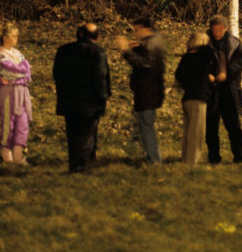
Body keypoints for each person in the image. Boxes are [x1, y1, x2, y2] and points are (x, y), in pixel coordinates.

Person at [52, 23, 111, 173]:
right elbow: (100, 78)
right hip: (89, 102)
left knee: (72, 134)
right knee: (86, 136)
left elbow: (56, 74)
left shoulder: (63, 50)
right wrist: (104, 97)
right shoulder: (97, 53)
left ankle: (77, 162)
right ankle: (80, 167)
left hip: (68, 99)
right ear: (97, 36)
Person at [118, 17, 167, 165]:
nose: (136, 33)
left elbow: (145, 64)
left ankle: (154, 159)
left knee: (146, 126)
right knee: (146, 125)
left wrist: (126, 50)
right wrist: (137, 47)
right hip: (150, 91)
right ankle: (152, 157)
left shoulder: (152, 43)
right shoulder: (154, 41)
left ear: (146, 28)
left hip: (148, 91)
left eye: (137, 29)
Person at [205, 14, 242, 164]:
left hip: (229, 90)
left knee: (233, 125)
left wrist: (227, 74)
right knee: (211, 126)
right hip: (211, 91)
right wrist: (208, 74)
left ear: (225, 29)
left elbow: (241, 60)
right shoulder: (204, 42)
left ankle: (239, 155)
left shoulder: (234, 44)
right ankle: (213, 157)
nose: (217, 33)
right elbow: (197, 61)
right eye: (214, 30)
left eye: (220, 30)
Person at [174, 32, 216, 165]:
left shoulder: (186, 57)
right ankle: (191, 162)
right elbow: (211, 51)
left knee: (188, 131)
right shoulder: (204, 56)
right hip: (199, 98)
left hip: (187, 98)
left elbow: (179, 76)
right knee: (197, 132)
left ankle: (185, 159)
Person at [0, 21, 33, 165]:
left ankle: (18, 155)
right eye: (14, 36)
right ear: (5, 37)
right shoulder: (0, 53)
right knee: (8, 124)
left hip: (21, 92)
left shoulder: (18, 53)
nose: (16, 39)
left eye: (17, 37)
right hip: (8, 92)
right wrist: (21, 70)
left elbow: (27, 69)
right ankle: (7, 155)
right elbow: (12, 69)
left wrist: (23, 71)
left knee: (22, 122)